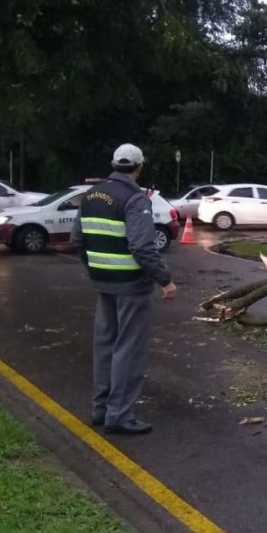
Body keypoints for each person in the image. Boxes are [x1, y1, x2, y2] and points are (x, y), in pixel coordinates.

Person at [70, 144, 177, 434]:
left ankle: (101, 408)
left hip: (102, 282)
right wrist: (164, 280)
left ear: (114, 164)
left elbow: (78, 239)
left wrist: (94, 267)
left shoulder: (90, 196)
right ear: (139, 167)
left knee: (105, 344)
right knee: (128, 349)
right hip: (131, 285)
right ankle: (119, 415)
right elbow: (142, 246)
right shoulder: (134, 199)